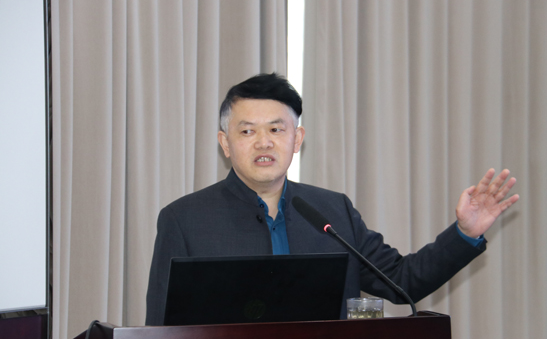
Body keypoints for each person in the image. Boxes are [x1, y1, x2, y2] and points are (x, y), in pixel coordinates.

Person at [145, 73, 519, 326]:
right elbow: (160, 333)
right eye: (247, 132)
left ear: (297, 139)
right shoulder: (185, 220)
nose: (264, 142)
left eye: (276, 129)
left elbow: (403, 281)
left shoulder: (331, 210)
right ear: (225, 143)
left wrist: (465, 233)